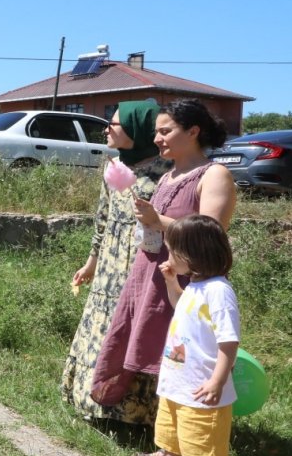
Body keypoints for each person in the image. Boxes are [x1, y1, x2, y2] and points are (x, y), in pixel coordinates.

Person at [91, 100, 236, 417]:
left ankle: (188, 440)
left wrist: (157, 220)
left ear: (193, 131)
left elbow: (210, 234)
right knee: (161, 356)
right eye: (156, 132)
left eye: (166, 131)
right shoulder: (169, 175)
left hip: (186, 284)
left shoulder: (214, 175)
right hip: (153, 274)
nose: (157, 139)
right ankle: (165, 439)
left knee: (183, 358)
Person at [62, 101, 171, 425]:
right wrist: (91, 263)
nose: (106, 129)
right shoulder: (114, 168)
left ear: (138, 130)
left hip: (144, 268)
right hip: (110, 268)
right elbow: (103, 220)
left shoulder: (165, 172)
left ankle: (136, 414)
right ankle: (96, 402)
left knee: (137, 331)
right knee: (103, 329)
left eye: (115, 124)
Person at [141, 214, 238, 456]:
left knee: (206, 455)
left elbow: (228, 341)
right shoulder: (196, 286)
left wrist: (217, 381)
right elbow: (181, 307)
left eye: (173, 252)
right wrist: (172, 284)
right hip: (176, 388)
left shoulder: (219, 292)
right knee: (172, 446)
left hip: (202, 391)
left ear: (194, 254)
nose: (168, 258)